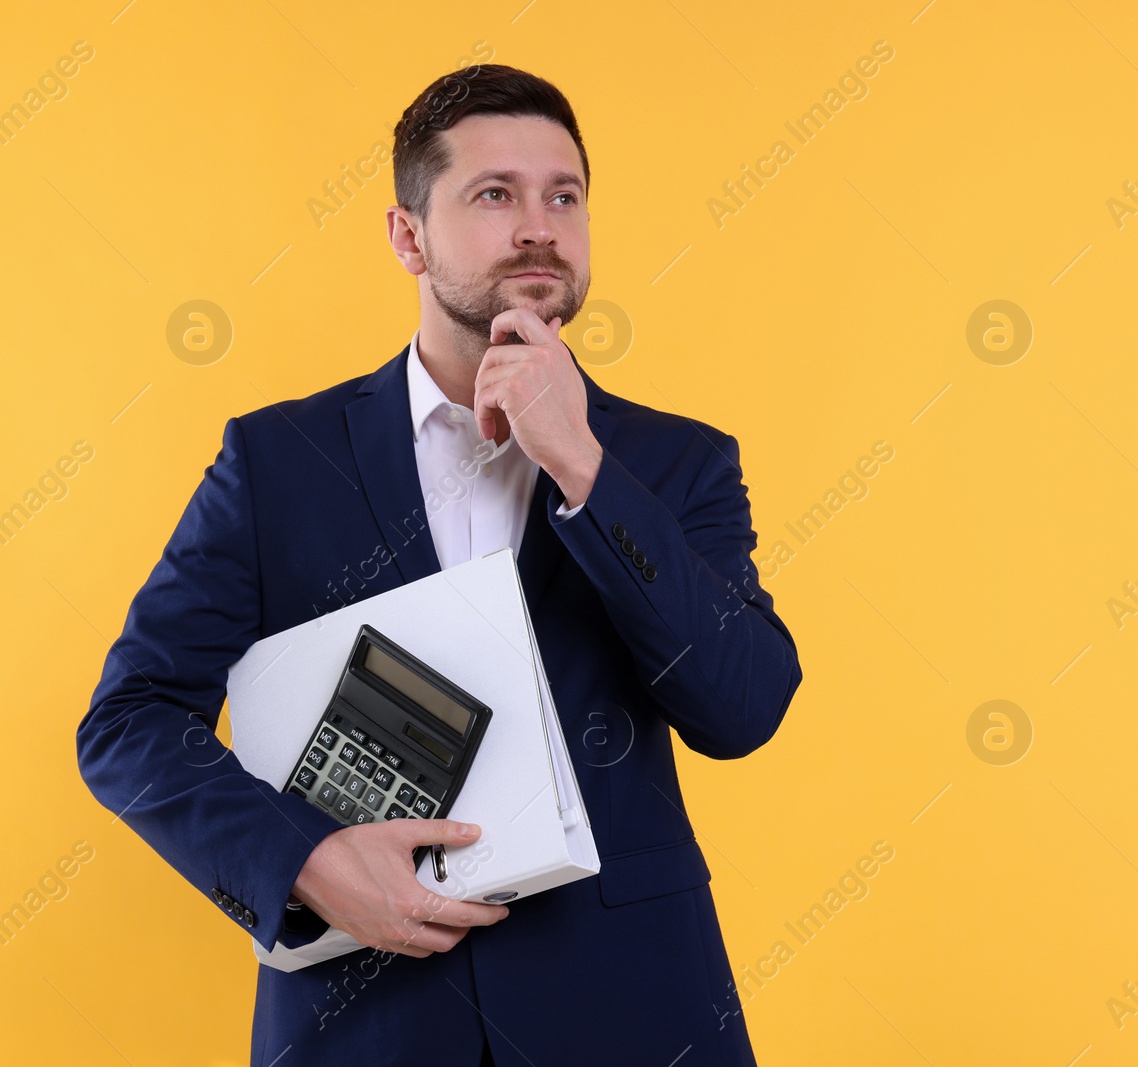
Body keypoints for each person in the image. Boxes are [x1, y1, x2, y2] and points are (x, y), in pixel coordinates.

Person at [76, 64, 801, 1066]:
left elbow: (743, 705)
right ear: (407, 236)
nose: (538, 225)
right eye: (494, 194)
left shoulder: (675, 462)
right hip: (367, 1019)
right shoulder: (275, 462)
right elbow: (129, 718)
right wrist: (302, 858)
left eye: (564, 195)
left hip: (631, 1012)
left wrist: (583, 467)